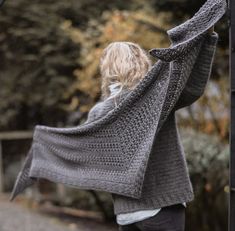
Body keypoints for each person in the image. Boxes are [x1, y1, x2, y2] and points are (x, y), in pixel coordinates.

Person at [85, 25, 217, 231]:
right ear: (139, 63)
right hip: (162, 207)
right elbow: (192, 88)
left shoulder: (98, 113)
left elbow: (94, 165)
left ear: (107, 69)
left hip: (127, 214)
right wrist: (207, 39)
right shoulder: (156, 98)